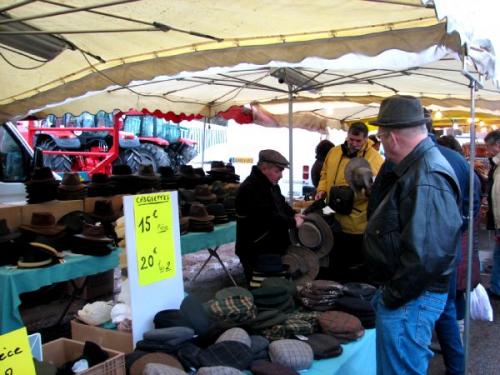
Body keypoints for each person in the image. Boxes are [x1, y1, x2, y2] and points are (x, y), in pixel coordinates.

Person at [364, 95, 463, 375]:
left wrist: (392, 296)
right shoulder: (420, 168)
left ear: (392, 137)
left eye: (381, 137)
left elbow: (428, 257)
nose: (381, 144)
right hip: (410, 297)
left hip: (410, 299)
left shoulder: (426, 174)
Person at [315, 122, 383, 282]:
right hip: (332, 215)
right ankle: (334, 290)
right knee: (334, 260)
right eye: (351, 139)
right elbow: (324, 173)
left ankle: (350, 297)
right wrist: (321, 190)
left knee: (352, 266)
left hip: (356, 224)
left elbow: (379, 189)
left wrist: (366, 188)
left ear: (366, 139)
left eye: (358, 141)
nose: (353, 144)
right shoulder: (334, 151)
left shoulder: (375, 158)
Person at [235, 149, 304, 283]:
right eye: (278, 171)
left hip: (271, 248)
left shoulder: (271, 185)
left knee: (275, 288)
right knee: (263, 291)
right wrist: (293, 222)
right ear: (264, 168)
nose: (281, 176)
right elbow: (268, 217)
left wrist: (295, 215)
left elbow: (282, 205)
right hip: (256, 250)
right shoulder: (250, 189)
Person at [484, 130, 500, 300]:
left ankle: (497, 288)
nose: (487, 150)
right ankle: (496, 287)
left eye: (489, 146)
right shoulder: (496, 165)